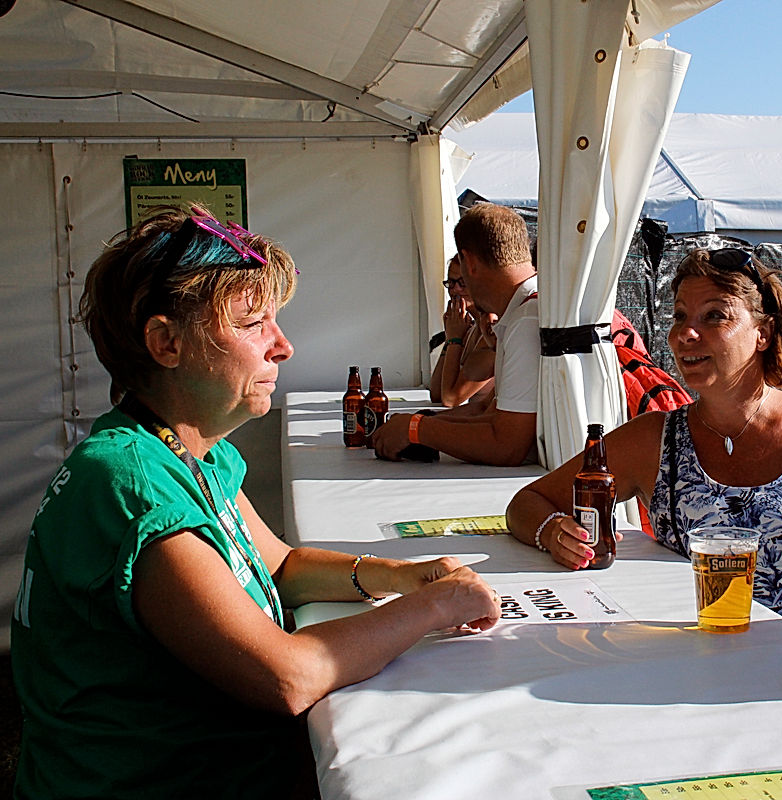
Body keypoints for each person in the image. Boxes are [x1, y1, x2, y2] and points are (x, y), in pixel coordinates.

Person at [9, 206, 501, 799]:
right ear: (166, 342)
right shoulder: (128, 482)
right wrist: (435, 607)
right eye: (253, 324)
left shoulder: (189, 449)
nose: (283, 347)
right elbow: (287, 676)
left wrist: (402, 574)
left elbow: (278, 566)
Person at [505, 247, 782, 644]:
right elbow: (528, 502)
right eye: (680, 316)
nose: (685, 333)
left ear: (763, 333)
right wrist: (553, 531)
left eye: (714, 316)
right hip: (703, 662)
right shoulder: (655, 439)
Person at [373, 203, 539, 466]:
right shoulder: (526, 310)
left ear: (469, 262)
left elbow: (507, 446)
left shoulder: (526, 320)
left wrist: (416, 429)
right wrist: (417, 424)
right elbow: (488, 412)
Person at [429, 253, 496, 407]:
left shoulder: (492, 331)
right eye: (451, 283)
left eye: (463, 283)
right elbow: (437, 393)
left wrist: (454, 340)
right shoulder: (469, 329)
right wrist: (450, 338)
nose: (455, 290)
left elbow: (451, 399)